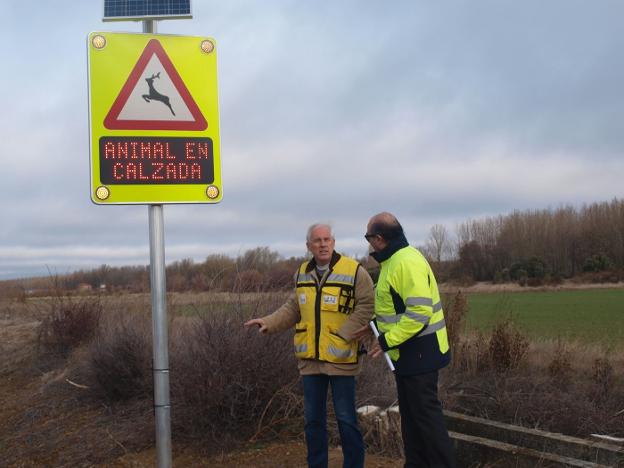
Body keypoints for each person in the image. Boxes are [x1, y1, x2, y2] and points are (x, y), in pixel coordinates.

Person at [245, 223, 375, 468]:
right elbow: (294, 308)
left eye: (327, 239)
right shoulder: (302, 272)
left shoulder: (355, 271)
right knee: (313, 421)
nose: (323, 244)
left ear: (334, 242)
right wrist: (268, 322)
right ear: (309, 246)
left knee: (346, 420)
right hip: (310, 362)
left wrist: (344, 334)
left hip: (342, 359)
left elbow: (368, 305)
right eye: (317, 240)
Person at [355, 212, 456, 468]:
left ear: (378, 238)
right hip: (410, 355)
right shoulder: (394, 260)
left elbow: (419, 313)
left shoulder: (405, 262)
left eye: (369, 237)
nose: (369, 244)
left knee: (427, 423)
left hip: (420, 353)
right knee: (412, 421)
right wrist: (374, 328)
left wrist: (387, 340)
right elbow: (395, 310)